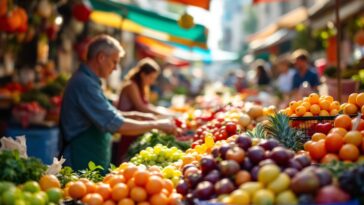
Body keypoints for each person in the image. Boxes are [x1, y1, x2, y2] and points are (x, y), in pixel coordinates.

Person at [60, 35, 176, 171]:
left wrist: (142, 116)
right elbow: (115, 123)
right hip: (81, 157)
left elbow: (111, 113)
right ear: (101, 57)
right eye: (114, 62)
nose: (115, 68)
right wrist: (157, 124)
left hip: (90, 156)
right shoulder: (85, 84)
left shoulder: (91, 82)